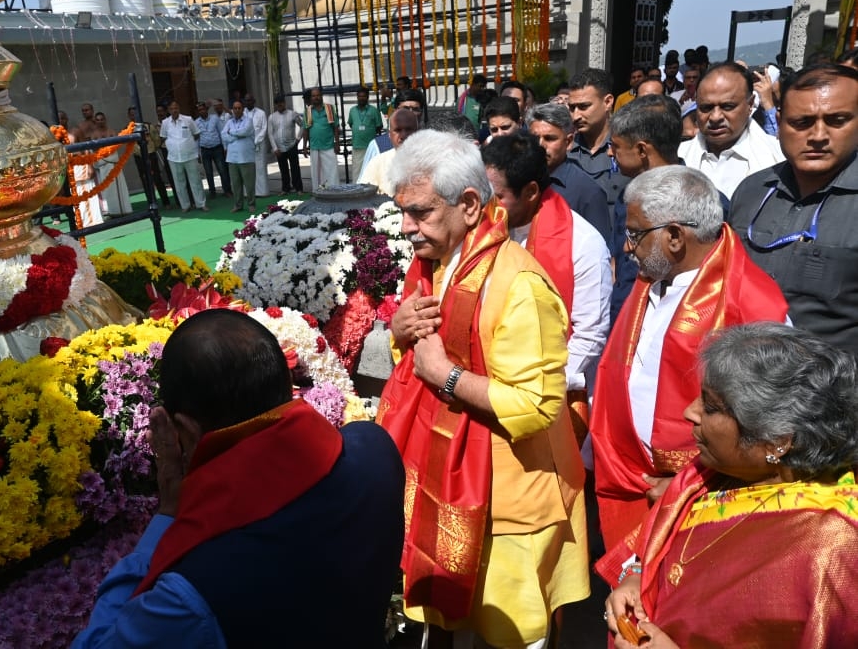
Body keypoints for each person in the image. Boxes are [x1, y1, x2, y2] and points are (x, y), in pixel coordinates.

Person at [73, 309, 406, 648]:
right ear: (283, 383)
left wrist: (167, 514)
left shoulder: (190, 594)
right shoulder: (374, 449)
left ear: (185, 430)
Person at [377, 129, 589, 649]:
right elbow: (417, 356)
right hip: (448, 478)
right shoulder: (433, 265)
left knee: (510, 635)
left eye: (420, 212)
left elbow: (537, 407)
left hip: (511, 498)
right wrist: (399, 332)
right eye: (402, 211)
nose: (406, 228)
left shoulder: (518, 284)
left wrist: (443, 376)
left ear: (469, 205)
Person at [600, 323, 858, 649]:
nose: (689, 412)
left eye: (711, 407)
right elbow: (655, 554)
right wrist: (636, 579)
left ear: (776, 442)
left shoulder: (834, 550)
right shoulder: (707, 476)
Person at [590, 166, 789, 550]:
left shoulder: (752, 305)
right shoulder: (653, 279)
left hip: (705, 499)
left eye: (635, 235)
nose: (627, 248)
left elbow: (770, 435)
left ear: (675, 237)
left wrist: (690, 486)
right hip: (631, 479)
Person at [482, 132, 612, 447]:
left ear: (530, 191)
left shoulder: (583, 243)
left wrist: (531, 386)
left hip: (548, 396)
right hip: (483, 388)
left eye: (497, 196)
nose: (488, 205)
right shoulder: (484, 227)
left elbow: (590, 335)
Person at [729, 63, 858, 356]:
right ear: (778, 121)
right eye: (801, 122)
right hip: (743, 386)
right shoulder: (751, 191)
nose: (818, 135)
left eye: (837, 121)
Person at [606, 94, 685, 321]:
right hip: (624, 322)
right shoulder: (627, 196)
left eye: (616, 146)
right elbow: (619, 262)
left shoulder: (697, 203)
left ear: (642, 150)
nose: (610, 153)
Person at [679, 62, 784, 199]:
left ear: (750, 104)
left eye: (727, 106)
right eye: (706, 108)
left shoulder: (778, 158)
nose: (715, 117)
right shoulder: (678, 156)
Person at [525, 102, 612, 246]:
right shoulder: (520, 181)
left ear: (569, 141)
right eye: (535, 138)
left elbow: (600, 249)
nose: (540, 145)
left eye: (550, 138)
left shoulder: (588, 191)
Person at [567, 68, 630, 221]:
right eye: (571, 108)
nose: (576, 116)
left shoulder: (628, 149)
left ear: (607, 102)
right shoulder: (565, 150)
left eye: (583, 107)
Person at [358, 88, 425, 173]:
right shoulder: (378, 146)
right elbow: (366, 182)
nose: (410, 113)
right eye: (406, 108)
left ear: (421, 113)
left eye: (415, 109)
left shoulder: (431, 143)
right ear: (395, 111)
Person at [159, 101, 208, 214]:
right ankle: (185, 205)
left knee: (195, 181)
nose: (174, 110)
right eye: (172, 108)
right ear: (169, 110)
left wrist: (186, 145)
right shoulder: (165, 123)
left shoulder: (188, 119)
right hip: (174, 157)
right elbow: (163, 137)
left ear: (179, 108)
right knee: (179, 183)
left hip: (190, 155)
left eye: (176, 108)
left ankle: (201, 203)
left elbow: (196, 134)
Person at [359, 107, 419, 196]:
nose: (403, 135)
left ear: (418, 132)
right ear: (389, 135)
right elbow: (363, 197)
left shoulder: (432, 161)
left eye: (408, 130)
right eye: (398, 130)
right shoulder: (378, 162)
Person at [222, 100, 257, 213]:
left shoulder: (249, 121)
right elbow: (223, 135)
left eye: (239, 108)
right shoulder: (229, 122)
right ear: (232, 109)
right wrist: (235, 135)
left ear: (243, 109)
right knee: (236, 184)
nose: (237, 110)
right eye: (235, 108)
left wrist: (231, 133)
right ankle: (238, 205)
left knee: (249, 183)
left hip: (246, 157)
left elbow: (245, 132)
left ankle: (251, 203)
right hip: (232, 158)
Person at [301, 87, 340, 190]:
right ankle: (319, 193)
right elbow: (305, 130)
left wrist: (337, 143)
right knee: (316, 173)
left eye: (318, 95)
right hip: (315, 147)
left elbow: (335, 127)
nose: (316, 98)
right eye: (313, 96)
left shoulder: (329, 108)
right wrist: (304, 146)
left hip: (329, 146)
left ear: (321, 96)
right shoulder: (308, 111)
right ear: (311, 98)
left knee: (332, 172)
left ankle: (334, 192)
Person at [267, 96, 304, 194]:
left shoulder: (292, 114)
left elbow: (302, 125)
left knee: (295, 168)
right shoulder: (271, 117)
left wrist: (298, 139)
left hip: (291, 145)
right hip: (279, 148)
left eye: (281, 102)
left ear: (284, 103)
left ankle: (298, 188)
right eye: (277, 103)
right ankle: (285, 189)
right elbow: (270, 133)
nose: (280, 104)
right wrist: (275, 148)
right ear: (275, 105)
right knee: (283, 169)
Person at [195, 101, 231, 197]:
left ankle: (227, 190)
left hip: (217, 148)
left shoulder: (214, 118)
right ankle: (212, 192)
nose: (201, 111)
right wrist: (197, 153)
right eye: (199, 110)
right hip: (205, 150)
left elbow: (221, 132)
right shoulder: (196, 122)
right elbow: (196, 139)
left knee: (222, 170)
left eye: (203, 109)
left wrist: (225, 147)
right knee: (208, 172)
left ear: (206, 109)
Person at [346, 87, 383, 181]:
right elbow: (351, 124)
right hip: (357, 145)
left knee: (371, 170)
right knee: (357, 170)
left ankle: (370, 190)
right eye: (359, 96)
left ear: (367, 97)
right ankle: (356, 189)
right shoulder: (352, 110)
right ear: (357, 97)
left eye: (364, 96)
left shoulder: (374, 110)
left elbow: (379, 126)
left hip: (370, 146)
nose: (361, 98)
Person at [243, 93, 269, 197]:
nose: (248, 102)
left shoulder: (261, 113)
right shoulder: (242, 112)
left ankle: (262, 192)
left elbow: (264, 128)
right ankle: (248, 192)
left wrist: (256, 141)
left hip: (259, 144)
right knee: (247, 169)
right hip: (246, 145)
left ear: (254, 101)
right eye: (246, 100)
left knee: (260, 168)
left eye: (250, 100)